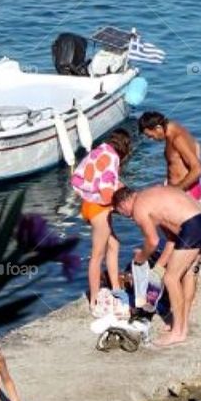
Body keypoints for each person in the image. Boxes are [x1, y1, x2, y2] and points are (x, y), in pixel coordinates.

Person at [112, 184, 201, 346]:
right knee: (187, 274)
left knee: (170, 279)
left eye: (121, 213)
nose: (127, 218)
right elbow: (172, 239)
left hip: (192, 226)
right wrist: (159, 266)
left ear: (123, 205)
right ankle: (182, 326)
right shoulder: (152, 197)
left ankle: (178, 332)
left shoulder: (138, 208)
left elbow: (153, 242)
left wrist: (141, 258)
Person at [71, 128, 132, 314]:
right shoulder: (112, 158)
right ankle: (95, 300)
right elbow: (107, 191)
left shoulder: (99, 151)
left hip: (89, 205)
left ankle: (116, 289)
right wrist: (122, 205)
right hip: (99, 209)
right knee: (97, 255)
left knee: (114, 245)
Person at [139, 111, 201, 201]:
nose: (152, 139)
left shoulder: (177, 139)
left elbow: (198, 170)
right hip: (179, 191)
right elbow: (197, 145)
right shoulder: (176, 128)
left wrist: (177, 190)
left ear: (158, 128)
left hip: (185, 194)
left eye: (151, 136)